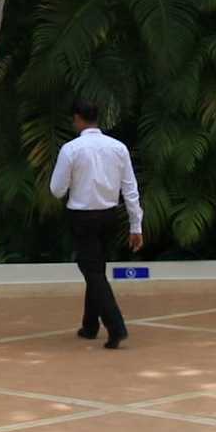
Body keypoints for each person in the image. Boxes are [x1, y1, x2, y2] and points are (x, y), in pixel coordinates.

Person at [48, 99, 143, 349]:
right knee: (97, 268)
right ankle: (90, 325)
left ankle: (116, 327)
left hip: (82, 217)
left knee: (92, 271)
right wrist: (136, 226)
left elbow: (57, 190)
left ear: (77, 118)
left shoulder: (71, 149)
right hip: (110, 216)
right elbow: (130, 189)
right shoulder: (118, 147)